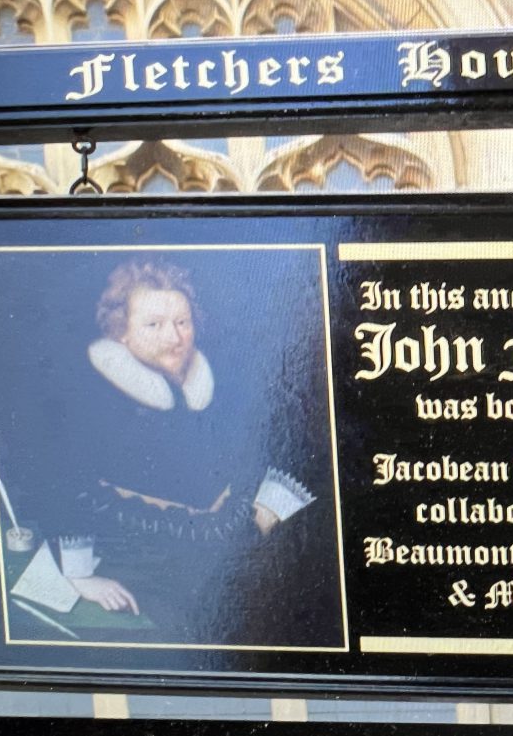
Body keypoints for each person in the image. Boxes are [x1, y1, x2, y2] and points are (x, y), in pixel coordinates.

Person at [22, 258, 318, 644]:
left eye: (182, 322)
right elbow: (64, 481)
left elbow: (262, 441)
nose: (174, 337)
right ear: (121, 333)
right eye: (154, 325)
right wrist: (80, 575)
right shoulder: (95, 399)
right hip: (140, 553)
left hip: (222, 543)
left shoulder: (215, 380)